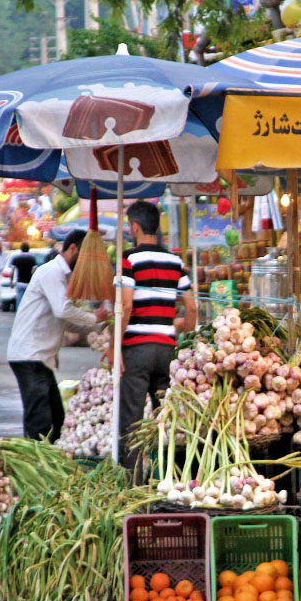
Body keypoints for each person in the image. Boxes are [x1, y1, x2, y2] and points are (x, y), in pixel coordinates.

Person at [106, 200, 196, 470]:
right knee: (166, 419)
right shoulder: (175, 261)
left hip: (137, 351)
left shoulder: (129, 259)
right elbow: (191, 306)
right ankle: (166, 478)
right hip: (166, 352)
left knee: (132, 422)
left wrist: (115, 347)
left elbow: (126, 305)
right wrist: (186, 344)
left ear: (134, 227)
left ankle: (132, 484)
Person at [7, 230, 111, 441]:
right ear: (72, 249)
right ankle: (37, 465)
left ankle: (49, 459)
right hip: (29, 355)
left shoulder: (62, 276)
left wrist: (99, 326)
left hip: (39, 358)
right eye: (84, 257)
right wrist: (94, 317)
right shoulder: (52, 272)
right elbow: (63, 311)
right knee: (40, 420)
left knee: (56, 418)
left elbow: (67, 322)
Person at [9, 242, 37, 311]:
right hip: (28, 282)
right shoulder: (32, 258)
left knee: (19, 300)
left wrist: (11, 282)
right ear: (28, 249)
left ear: (21, 249)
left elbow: (12, 270)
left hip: (19, 282)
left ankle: (19, 313)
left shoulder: (17, 258)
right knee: (28, 300)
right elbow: (34, 271)